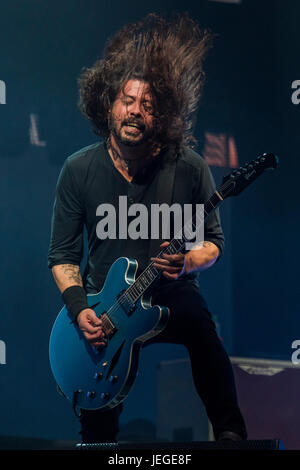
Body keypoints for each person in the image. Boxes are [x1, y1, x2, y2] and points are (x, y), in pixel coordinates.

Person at [48, 13, 247, 443]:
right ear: (108, 105)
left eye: (149, 105)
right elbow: (63, 256)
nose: (136, 111)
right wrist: (81, 308)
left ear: (164, 115)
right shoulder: (78, 169)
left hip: (169, 292)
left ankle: (232, 435)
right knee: (99, 417)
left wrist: (188, 262)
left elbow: (213, 243)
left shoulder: (189, 168)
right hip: (105, 302)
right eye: (128, 100)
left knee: (202, 329)